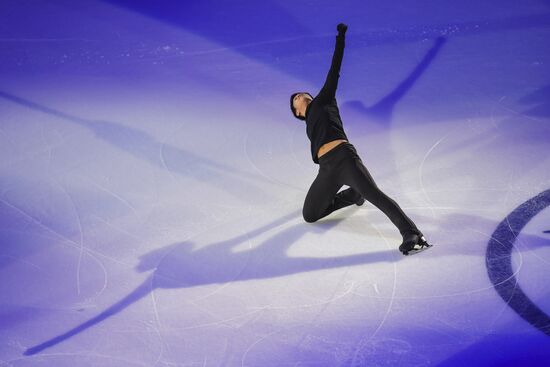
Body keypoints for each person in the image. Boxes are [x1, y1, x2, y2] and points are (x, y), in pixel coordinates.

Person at [289, 23, 431, 255]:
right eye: (295, 98)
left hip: (344, 158)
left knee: (375, 195)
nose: (299, 94)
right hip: (326, 169)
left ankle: (411, 233)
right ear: (297, 112)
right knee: (310, 215)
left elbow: (334, 69)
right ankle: (353, 194)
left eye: (302, 93)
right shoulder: (309, 124)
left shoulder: (323, 101)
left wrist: (340, 38)